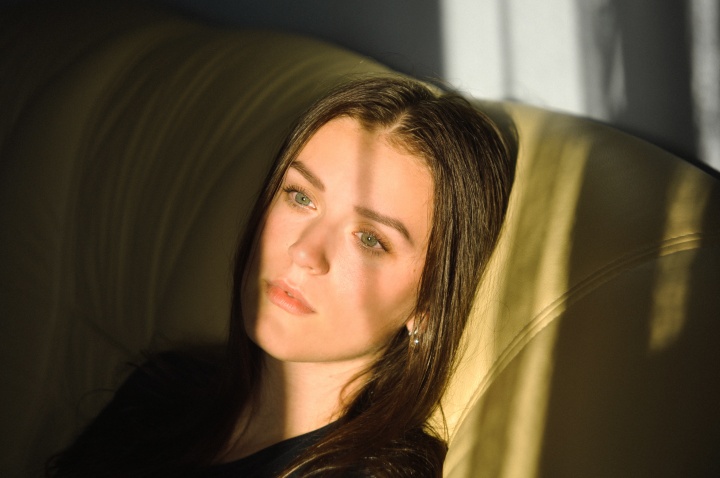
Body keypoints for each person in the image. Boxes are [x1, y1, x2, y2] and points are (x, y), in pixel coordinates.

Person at [46, 75, 516, 477]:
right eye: (300, 196)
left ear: (429, 302)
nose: (304, 251)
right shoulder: (161, 390)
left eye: (370, 238)